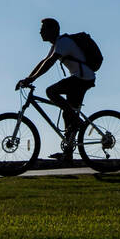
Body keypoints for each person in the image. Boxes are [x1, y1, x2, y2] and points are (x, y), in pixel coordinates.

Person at [17, 17, 96, 162]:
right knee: (68, 114)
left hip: (82, 79)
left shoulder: (63, 42)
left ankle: (78, 121)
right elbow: (43, 62)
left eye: (43, 29)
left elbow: (50, 62)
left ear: (53, 30)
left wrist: (31, 79)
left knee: (51, 92)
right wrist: (27, 78)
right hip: (81, 78)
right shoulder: (56, 45)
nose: (40, 32)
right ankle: (68, 154)